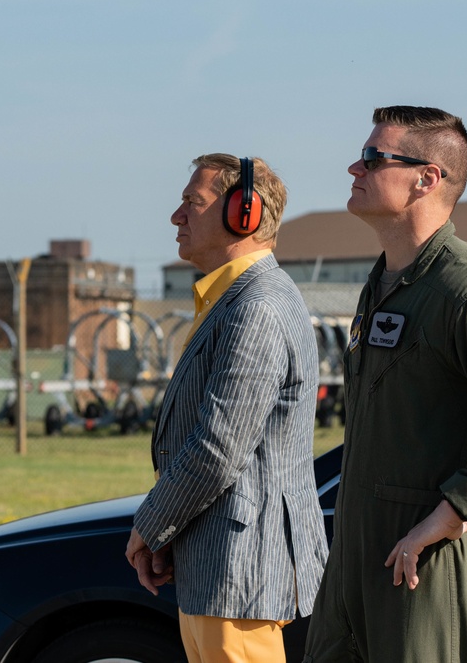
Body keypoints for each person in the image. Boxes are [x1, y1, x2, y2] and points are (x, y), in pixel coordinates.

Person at [302, 106, 467, 662]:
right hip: (361, 557)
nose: (355, 168)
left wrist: (451, 515)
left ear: (428, 178)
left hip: (430, 566)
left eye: (375, 158)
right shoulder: (384, 284)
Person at [125, 153, 329, 663]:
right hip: (220, 568)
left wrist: (151, 524)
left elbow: (219, 447)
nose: (177, 217)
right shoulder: (235, 300)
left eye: (192, 202)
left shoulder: (256, 308)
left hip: (240, 572)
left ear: (245, 214)